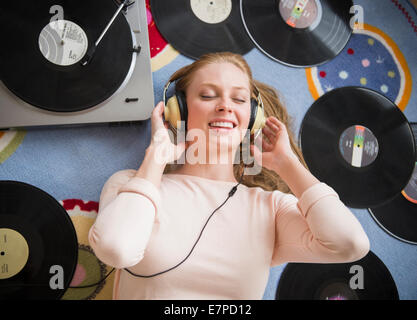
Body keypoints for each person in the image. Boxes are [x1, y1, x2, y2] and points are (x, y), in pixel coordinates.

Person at [88, 52, 370, 300]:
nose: (225, 105)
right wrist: (156, 157)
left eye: (239, 98)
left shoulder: (270, 208)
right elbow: (115, 249)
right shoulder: (132, 185)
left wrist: (288, 166)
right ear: (179, 111)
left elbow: (350, 244)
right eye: (208, 95)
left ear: (252, 117)